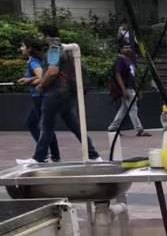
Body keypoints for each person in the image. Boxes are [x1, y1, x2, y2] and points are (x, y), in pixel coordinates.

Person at [18, 25, 100, 164]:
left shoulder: (54, 50)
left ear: (46, 35)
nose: (38, 38)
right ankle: (94, 155)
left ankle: (39, 158)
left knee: (46, 125)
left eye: (40, 35)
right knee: (74, 126)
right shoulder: (65, 49)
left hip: (55, 93)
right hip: (67, 92)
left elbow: (52, 71)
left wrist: (41, 85)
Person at [17, 38, 60, 161]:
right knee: (37, 124)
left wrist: (28, 80)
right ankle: (53, 155)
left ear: (29, 48)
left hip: (39, 97)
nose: (21, 49)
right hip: (39, 97)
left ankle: (46, 155)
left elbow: (41, 77)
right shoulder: (34, 60)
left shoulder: (33, 62)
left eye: (23, 46)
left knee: (43, 126)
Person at [108, 45, 149, 136]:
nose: (128, 49)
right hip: (126, 88)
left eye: (129, 47)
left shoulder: (129, 61)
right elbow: (117, 74)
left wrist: (137, 89)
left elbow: (133, 77)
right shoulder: (120, 60)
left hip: (130, 87)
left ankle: (113, 127)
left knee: (124, 108)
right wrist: (123, 89)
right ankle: (139, 129)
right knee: (133, 109)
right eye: (125, 47)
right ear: (121, 49)